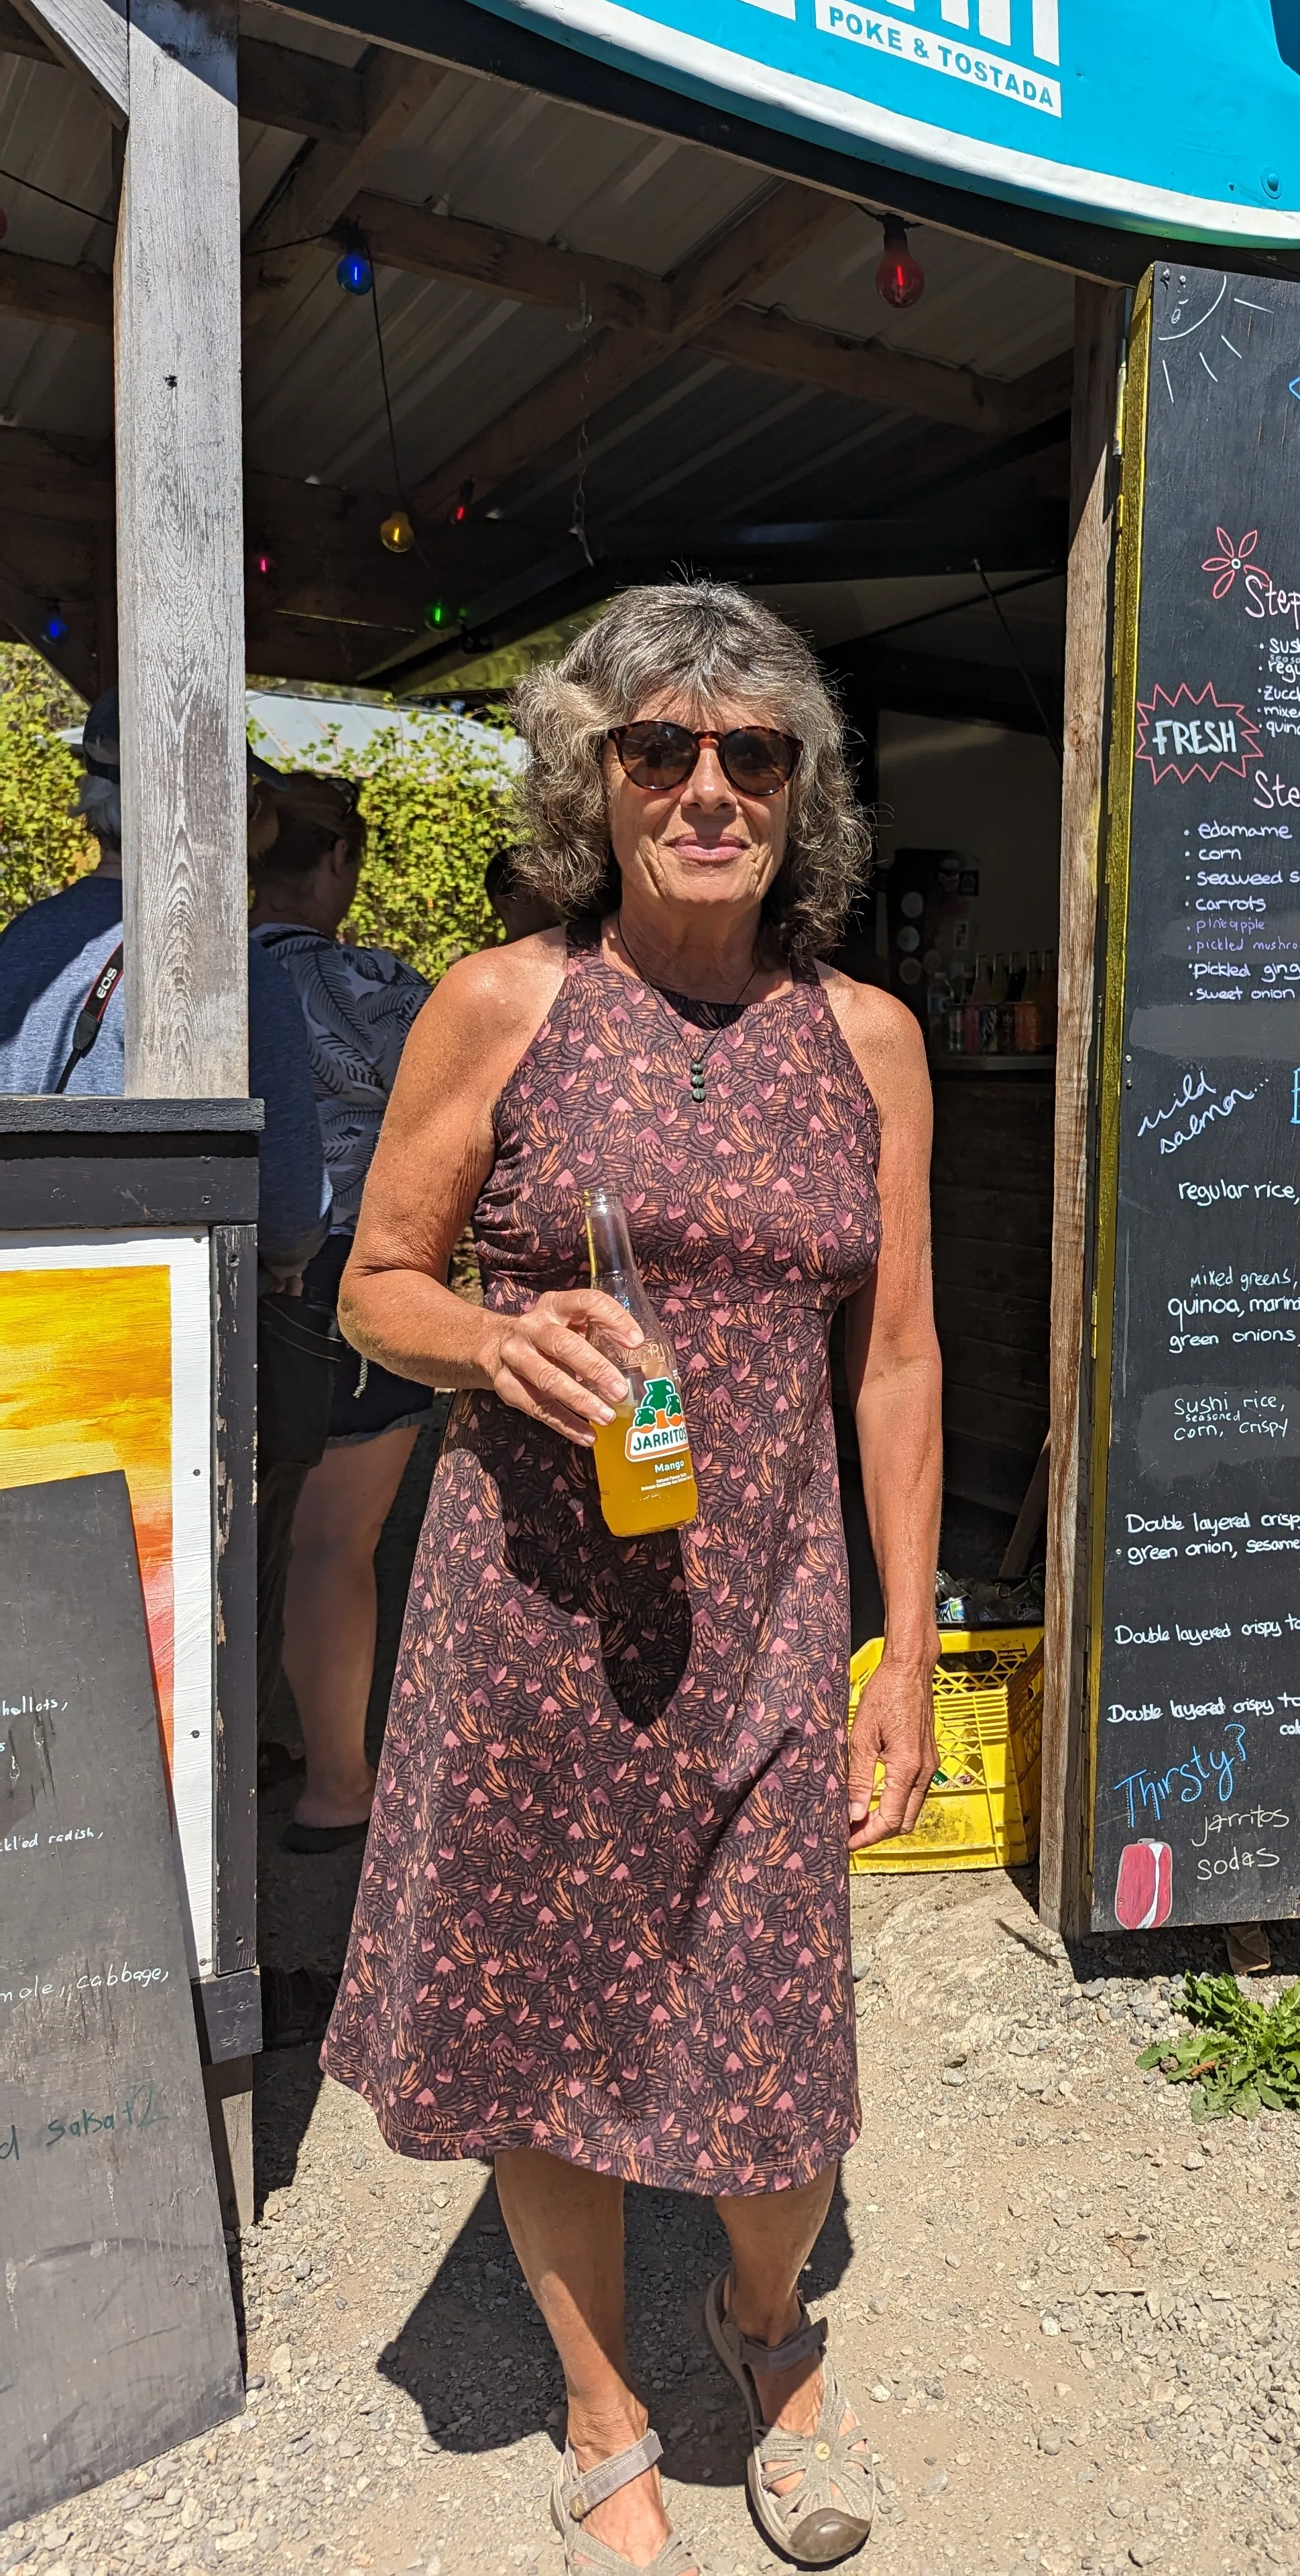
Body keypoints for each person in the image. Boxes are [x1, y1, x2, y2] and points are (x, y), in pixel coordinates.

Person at [323, 583, 943, 2576]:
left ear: (802, 791)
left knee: (775, 2065)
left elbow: (903, 1357)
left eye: (750, 753)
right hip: (527, 1626)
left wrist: (902, 1650)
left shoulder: (869, 1041)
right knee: (541, 2033)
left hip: (766, 1627)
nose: (705, 789)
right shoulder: (503, 1002)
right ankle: (604, 2420)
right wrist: (494, 1346)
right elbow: (377, 1280)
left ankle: (760, 2329)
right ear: (596, 780)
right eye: (659, 749)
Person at [250, 770, 434, 1853]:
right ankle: (335, 1787)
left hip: (223, 1273)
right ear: (336, 865)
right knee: (334, 1544)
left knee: (222, 1530)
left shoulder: (195, 977)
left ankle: (222, 1762)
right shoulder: (382, 989)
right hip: (349, 1281)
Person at [0, 691, 328, 1281]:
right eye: (250, 798)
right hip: (159, 1322)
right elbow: (290, 1214)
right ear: (219, 800)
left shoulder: (19, 942)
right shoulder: (235, 969)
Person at [485, 840, 559, 942]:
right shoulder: (492, 958)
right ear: (504, 906)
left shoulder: (576, 952)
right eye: (536, 894)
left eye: (555, 892)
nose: (554, 905)